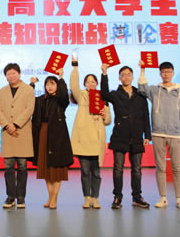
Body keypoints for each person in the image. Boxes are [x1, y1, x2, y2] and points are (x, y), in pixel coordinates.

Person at [138, 60, 180, 210]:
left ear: (173, 73)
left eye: (169, 72)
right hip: (158, 133)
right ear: (160, 73)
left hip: (175, 134)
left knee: (177, 168)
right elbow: (142, 89)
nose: (166, 74)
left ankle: (179, 198)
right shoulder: (155, 90)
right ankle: (163, 198)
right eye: (163, 72)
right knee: (160, 167)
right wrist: (142, 70)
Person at [101, 64, 151, 209]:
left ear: (132, 77)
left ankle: (137, 196)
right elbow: (104, 94)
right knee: (118, 169)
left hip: (136, 136)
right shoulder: (115, 94)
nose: (126, 77)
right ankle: (117, 197)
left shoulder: (140, 95)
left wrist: (147, 135)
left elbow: (146, 116)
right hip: (120, 136)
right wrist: (104, 73)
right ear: (119, 78)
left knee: (137, 169)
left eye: (129, 74)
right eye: (123, 75)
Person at [69, 60, 111, 209]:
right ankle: (87, 197)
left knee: (96, 172)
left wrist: (104, 115)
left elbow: (108, 121)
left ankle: (95, 198)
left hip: (96, 140)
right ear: (85, 84)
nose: (91, 84)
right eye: (88, 82)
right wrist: (75, 68)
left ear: (97, 84)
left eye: (93, 81)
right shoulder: (81, 96)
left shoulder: (102, 97)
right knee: (85, 172)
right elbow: (73, 85)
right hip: (83, 140)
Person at [31, 70, 74, 209]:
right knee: (45, 169)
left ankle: (54, 198)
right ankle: (50, 196)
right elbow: (28, 100)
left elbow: (64, 94)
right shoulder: (40, 100)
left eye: (52, 84)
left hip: (58, 136)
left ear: (57, 86)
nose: (49, 87)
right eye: (47, 84)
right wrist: (32, 84)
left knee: (57, 170)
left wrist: (61, 77)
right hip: (42, 134)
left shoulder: (61, 100)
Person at [0, 63, 35, 209]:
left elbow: (29, 109)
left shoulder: (28, 89)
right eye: (8, 74)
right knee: (8, 167)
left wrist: (16, 124)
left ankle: (21, 197)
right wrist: (7, 125)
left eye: (13, 73)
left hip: (22, 132)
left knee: (22, 167)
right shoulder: (2, 91)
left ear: (19, 74)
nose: (11, 76)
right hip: (8, 133)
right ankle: (10, 196)